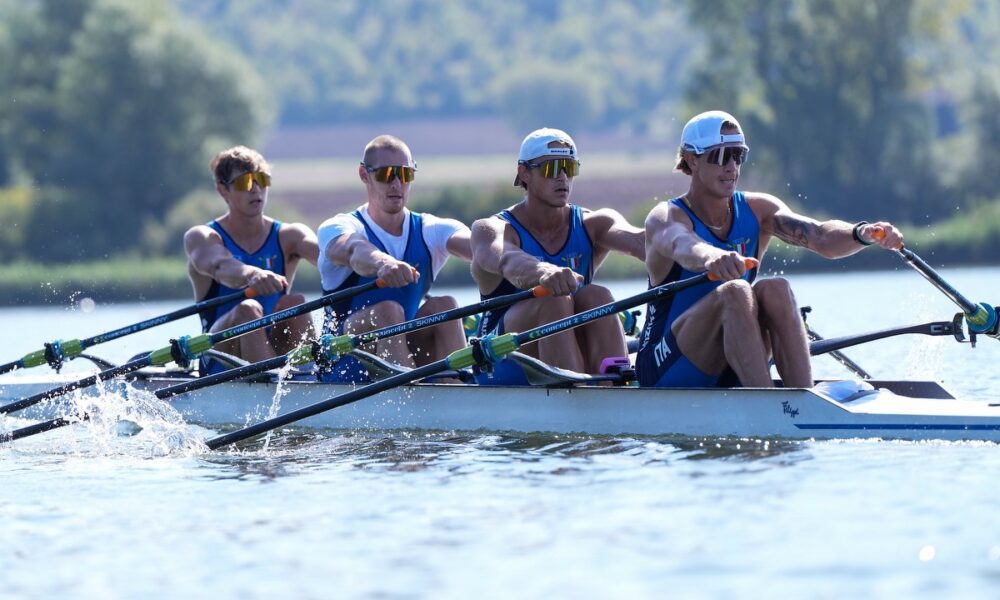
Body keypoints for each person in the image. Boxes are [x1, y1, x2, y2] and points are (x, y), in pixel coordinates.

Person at [637, 110, 904, 388]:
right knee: (736, 291)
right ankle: (767, 403)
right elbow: (683, 245)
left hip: (732, 358)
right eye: (720, 156)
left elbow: (819, 235)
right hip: (664, 366)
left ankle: (801, 400)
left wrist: (861, 233)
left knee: (776, 288)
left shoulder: (757, 210)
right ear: (692, 159)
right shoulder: (666, 217)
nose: (732, 167)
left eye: (738, 155)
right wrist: (712, 257)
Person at [470, 127, 646, 384]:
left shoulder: (594, 223)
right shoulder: (491, 229)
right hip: (502, 362)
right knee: (555, 301)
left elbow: (644, 242)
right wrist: (544, 272)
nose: (562, 177)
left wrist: (702, 252)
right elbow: (507, 259)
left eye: (569, 167)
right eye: (551, 168)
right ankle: (575, 395)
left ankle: (615, 388)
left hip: (561, 354)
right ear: (524, 173)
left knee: (598, 296)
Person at [317, 134, 472, 381]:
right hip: (343, 362)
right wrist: (383, 263)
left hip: (402, 349)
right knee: (388, 311)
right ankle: (408, 398)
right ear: (364, 175)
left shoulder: (430, 230)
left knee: (446, 306)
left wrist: (515, 260)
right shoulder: (339, 226)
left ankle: (456, 393)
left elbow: (481, 249)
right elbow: (354, 250)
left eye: (405, 174)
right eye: (386, 174)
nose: (397, 184)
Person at [185, 145, 319, 375]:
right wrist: (253, 275)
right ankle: (271, 384)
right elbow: (220, 266)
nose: (255, 189)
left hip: (273, 347)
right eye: (244, 182)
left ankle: (311, 377)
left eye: (261, 180)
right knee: (248, 309)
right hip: (221, 355)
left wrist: (376, 262)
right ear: (223, 190)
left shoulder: (290, 236)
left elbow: (330, 257)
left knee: (294, 303)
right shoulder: (203, 237)